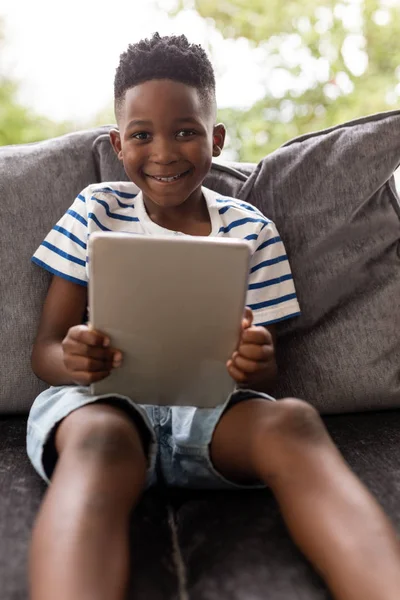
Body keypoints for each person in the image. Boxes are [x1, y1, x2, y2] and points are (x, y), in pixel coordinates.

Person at [27, 33, 400, 600]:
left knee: (293, 420)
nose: (164, 152)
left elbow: (262, 374)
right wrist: (76, 359)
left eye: (185, 131)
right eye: (142, 135)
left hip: (211, 415)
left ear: (216, 139)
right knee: (102, 440)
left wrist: (255, 361)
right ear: (118, 144)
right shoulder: (95, 209)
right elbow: (45, 351)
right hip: (101, 403)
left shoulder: (251, 230)